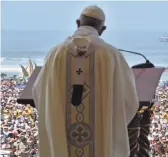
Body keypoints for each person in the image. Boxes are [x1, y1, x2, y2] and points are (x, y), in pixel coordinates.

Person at [32, 5, 139, 157]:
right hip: (101, 138)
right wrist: (112, 123)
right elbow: (129, 100)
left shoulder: (55, 54)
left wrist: (54, 117)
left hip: (61, 138)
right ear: (103, 29)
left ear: (77, 23)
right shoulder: (111, 55)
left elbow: (39, 92)